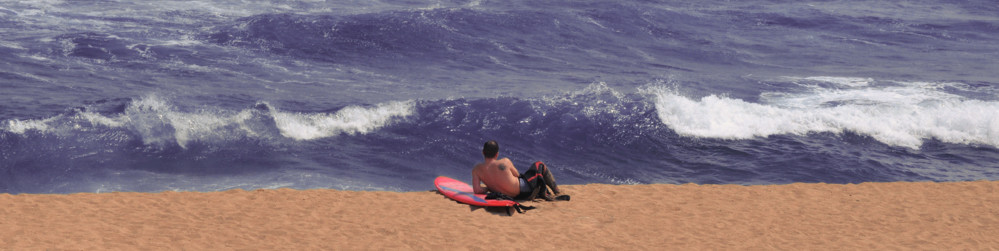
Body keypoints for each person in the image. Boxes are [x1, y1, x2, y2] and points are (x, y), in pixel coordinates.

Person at [471, 140, 569, 201]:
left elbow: (477, 190)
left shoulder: (477, 170)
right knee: (539, 165)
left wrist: (488, 188)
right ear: (497, 154)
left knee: (531, 177)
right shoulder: (504, 162)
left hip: (513, 197)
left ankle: (540, 191)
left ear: (483, 152)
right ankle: (557, 192)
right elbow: (517, 175)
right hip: (524, 191)